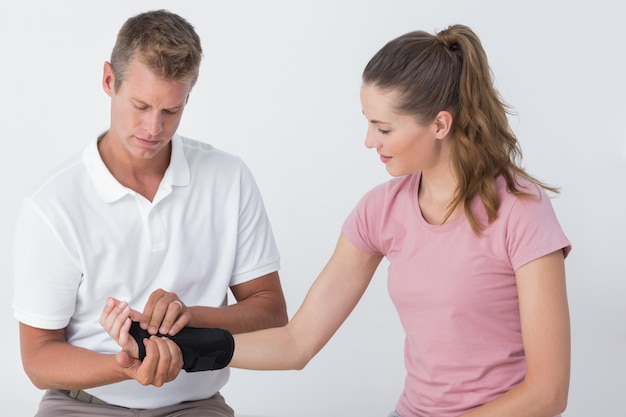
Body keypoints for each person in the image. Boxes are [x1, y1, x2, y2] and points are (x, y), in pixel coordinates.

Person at [102, 24, 571, 417]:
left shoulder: (520, 211)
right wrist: (184, 347)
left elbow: (548, 394)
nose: (370, 141)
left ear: (440, 125)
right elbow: (297, 342)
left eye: (384, 128)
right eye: (367, 122)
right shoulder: (380, 210)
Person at [12, 9, 287, 417]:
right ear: (109, 80)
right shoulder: (52, 204)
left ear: (188, 97)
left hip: (195, 405)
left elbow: (271, 313)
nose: (153, 128)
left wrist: (190, 317)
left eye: (170, 111)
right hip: (83, 406)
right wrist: (124, 366)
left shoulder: (229, 179)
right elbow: (38, 359)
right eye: (140, 105)